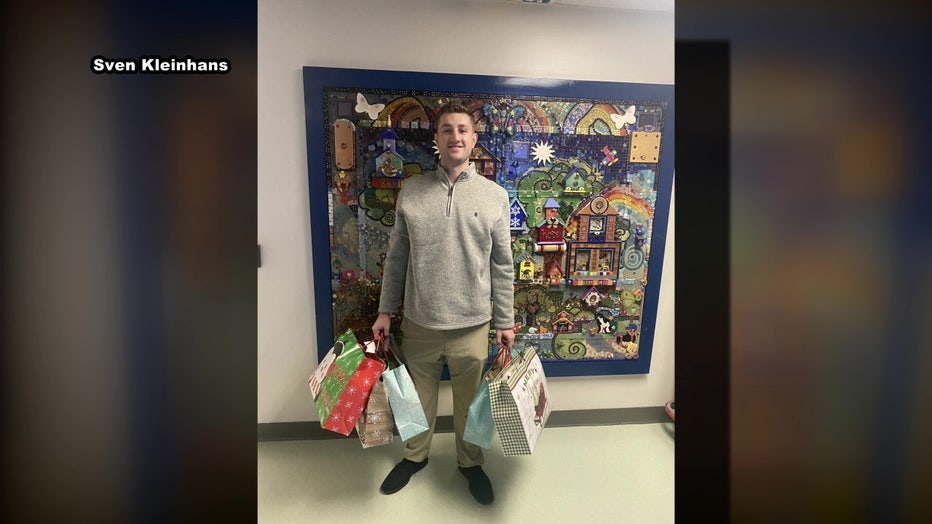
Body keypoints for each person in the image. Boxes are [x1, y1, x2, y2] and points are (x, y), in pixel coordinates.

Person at [371, 102, 515, 505]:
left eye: (463, 130)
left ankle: (470, 463)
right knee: (415, 401)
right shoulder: (411, 192)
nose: (455, 136)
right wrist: (385, 311)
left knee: (472, 404)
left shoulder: (495, 197)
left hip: (473, 324)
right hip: (420, 322)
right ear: (436, 139)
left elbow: (503, 265)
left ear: (474, 139)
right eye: (447, 130)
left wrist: (505, 320)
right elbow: (397, 258)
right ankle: (414, 457)